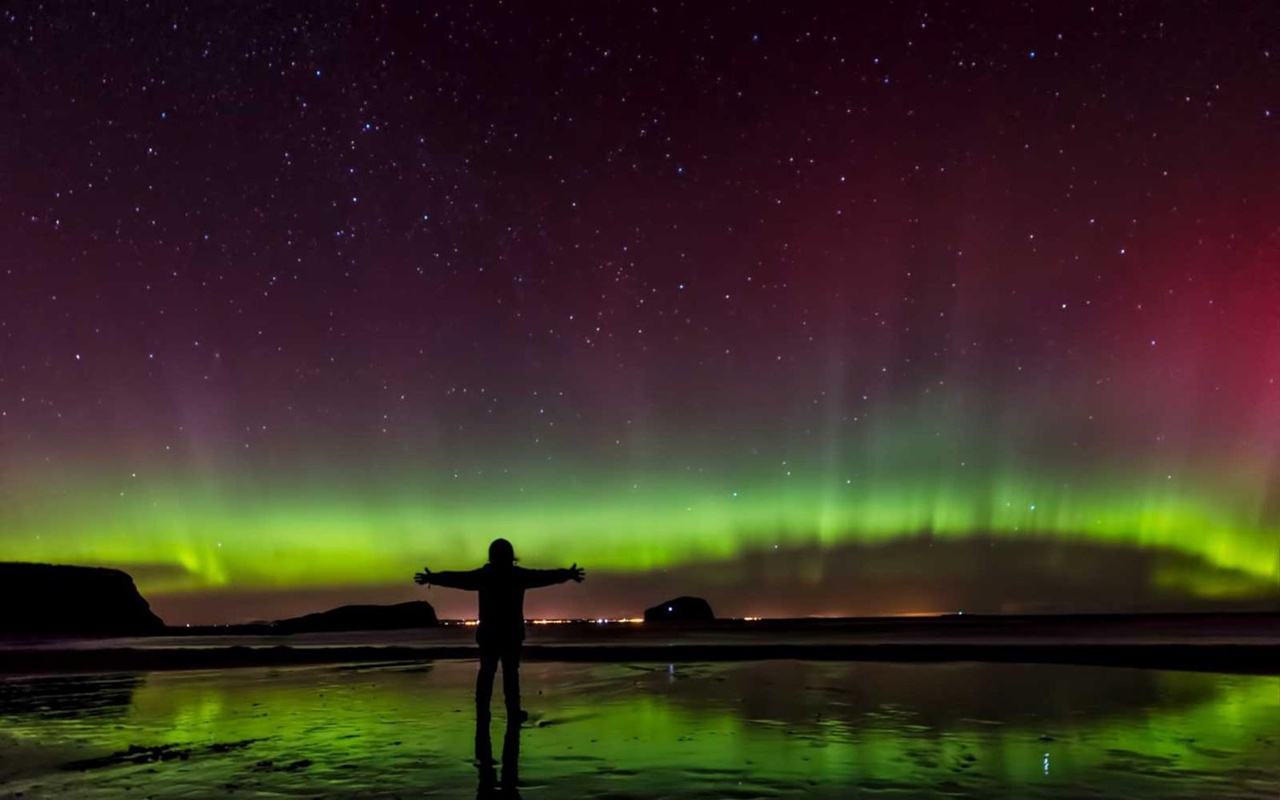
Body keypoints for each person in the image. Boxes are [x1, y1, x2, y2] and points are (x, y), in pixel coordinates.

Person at [415, 538, 584, 723]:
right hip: (511, 633)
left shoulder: (485, 575)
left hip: (489, 633)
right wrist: (568, 574)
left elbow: (458, 578)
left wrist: (433, 578)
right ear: (511, 556)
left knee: (486, 673)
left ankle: (483, 712)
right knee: (510, 674)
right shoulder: (516, 575)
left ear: (491, 557)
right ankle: (513, 713)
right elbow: (543, 577)